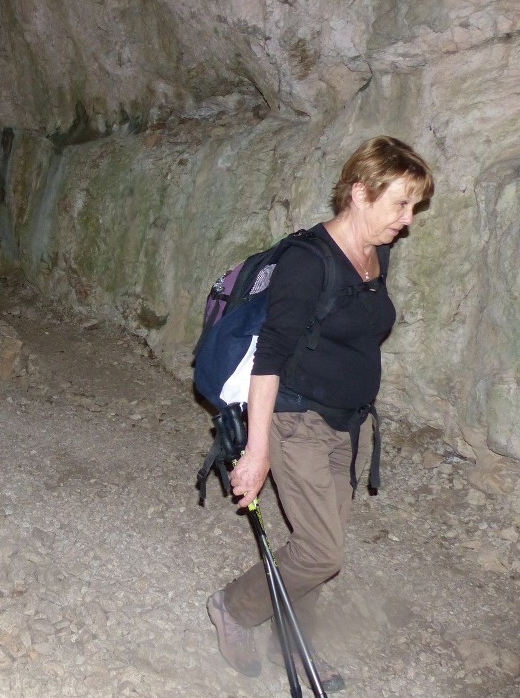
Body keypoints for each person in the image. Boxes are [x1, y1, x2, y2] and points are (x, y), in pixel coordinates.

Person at [206, 136, 434, 691]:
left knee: (320, 541)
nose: (406, 221)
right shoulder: (307, 263)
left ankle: (293, 646)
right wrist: (256, 451)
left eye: (413, 207)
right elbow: (270, 358)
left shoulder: (378, 251)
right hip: (295, 419)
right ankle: (233, 607)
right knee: (321, 550)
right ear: (360, 192)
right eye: (400, 204)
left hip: (345, 422)